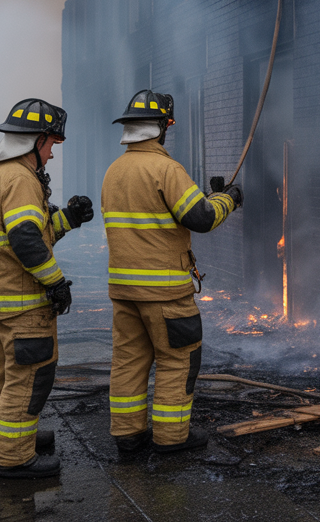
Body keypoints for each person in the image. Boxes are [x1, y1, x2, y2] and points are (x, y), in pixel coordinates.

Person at [102, 89, 242, 453]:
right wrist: (230, 198)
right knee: (178, 361)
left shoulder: (114, 171)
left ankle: (128, 435)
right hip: (165, 293)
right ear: (163, 127)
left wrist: (210, 199)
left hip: (124, 290)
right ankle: (171, 437)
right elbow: (202, 218)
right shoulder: (166, 168)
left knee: (129, 362)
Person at [0, 98, 93, 478]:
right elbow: (26, 239)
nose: (53, 155)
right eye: (52, 145)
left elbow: (29, 233)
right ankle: (16, 456)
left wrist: (69, 218)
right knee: (29, 380)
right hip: (22, 304)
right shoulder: (21, 179)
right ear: (37, 140)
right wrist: (56, 282)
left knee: (0, 375)